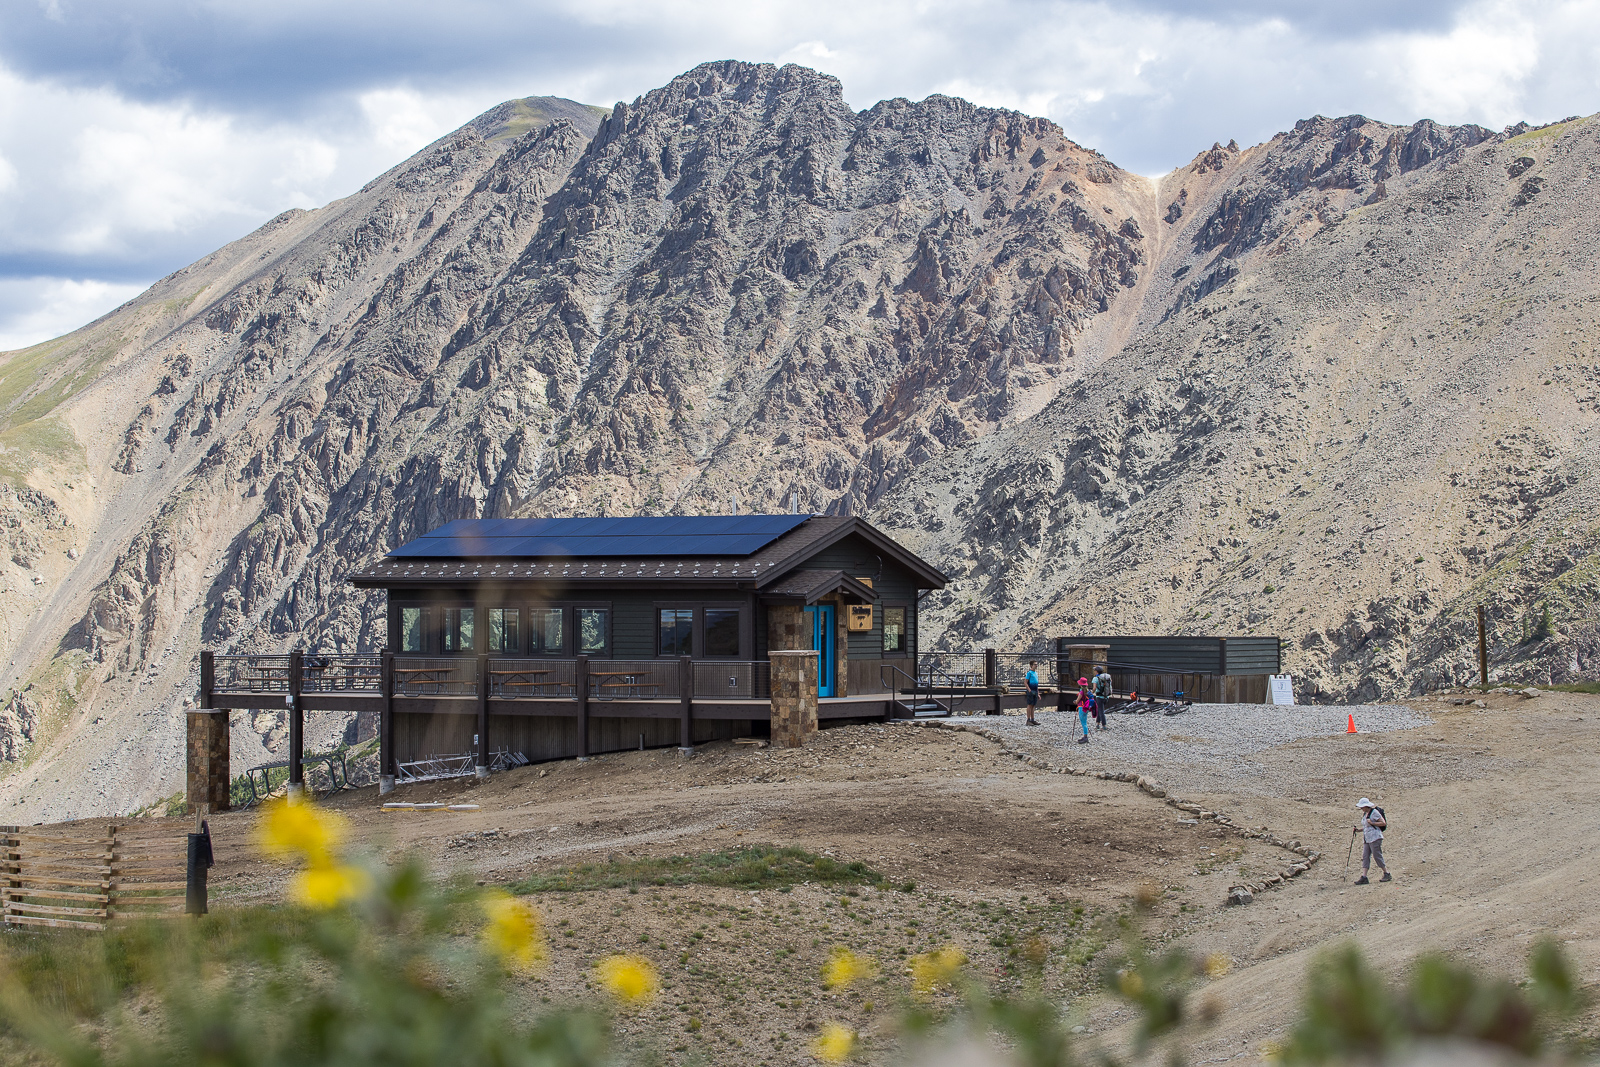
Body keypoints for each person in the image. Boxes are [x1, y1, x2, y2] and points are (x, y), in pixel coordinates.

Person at [1353, 798, 1390, 884]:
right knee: (1365, 856)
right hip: (1367, 838)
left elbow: (1383, 823)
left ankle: (1386, 873)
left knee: (1377, 856)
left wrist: (1373, 823)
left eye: (1362, 807)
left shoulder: (1374, 813)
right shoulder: (1365, 814)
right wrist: (1358, 830)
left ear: (1366, 806)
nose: (1361, 809)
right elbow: (1367, 826)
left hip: (1375, 838)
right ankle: (1364, 876)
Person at [1075, 678, 1092, 744]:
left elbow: (1077, 701)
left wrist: (1075, 702)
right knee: (1085, 722)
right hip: (1086, 708)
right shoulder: (1087, 691)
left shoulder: (1081, 691)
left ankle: (1085, 737)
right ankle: (1085, 736)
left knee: (1083, 723)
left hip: (1082, 708)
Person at [1024, 660, 1041, 726]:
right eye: (1035, 664)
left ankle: (1032, 719)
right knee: (1029, 705)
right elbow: (1025, 682)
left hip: (1035, 690)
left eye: (1036, 664)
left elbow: (1036, 684)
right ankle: (1028, 719)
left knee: (1033, 705)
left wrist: (1038, 693)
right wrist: (1029, 690)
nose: (1036, 666)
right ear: (1031, 665)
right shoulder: (1029, 673)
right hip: (1031, 690)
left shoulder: (1035, 673)